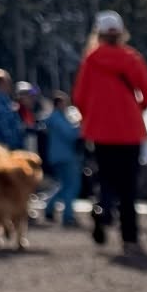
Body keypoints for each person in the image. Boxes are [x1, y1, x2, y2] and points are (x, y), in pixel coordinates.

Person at [71, 11, 147, 256]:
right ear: (121, 34)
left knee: (104, 180)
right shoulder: (132, 59)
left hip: (100, 132)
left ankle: (102, 214)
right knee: (128, 187)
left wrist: (94, 117)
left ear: (98, 34)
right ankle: (130, 238)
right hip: (129, 131)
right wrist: (133, 110)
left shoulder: (91, 60)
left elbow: (79, 98)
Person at [42, 92, 84, 227]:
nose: (67, 105)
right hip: (65, 156)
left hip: (57, 156)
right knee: (72, 185)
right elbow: (70, 134)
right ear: (59, 104)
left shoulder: (54, 118)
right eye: (65, 102)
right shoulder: (58, 118)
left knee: (63, 185)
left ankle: (49, 207)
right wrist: (82, 126)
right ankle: (68, 216)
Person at [0, 70, 27, 151]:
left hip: (14, 148)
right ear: (1, 82)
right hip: (3, 148)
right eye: (8, 82)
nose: (10, 85)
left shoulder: (8, 102)